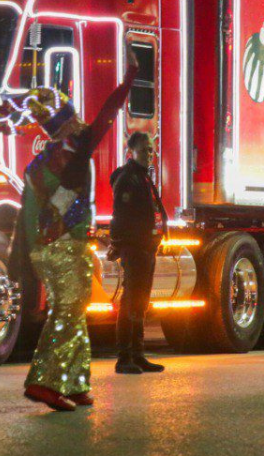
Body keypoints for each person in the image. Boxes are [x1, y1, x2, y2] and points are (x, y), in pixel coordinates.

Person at [0, 47, 139, 412]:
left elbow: (27, 214)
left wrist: (25, 257)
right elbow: (109, 113)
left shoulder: (40, 161)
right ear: (67, 121)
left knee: (75, 309)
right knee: (67, 312)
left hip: (48, 248)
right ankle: (43, 381)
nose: (82, 123)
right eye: (74, 117)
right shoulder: (76, 148)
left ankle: (76, 383)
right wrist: (128, 80)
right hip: (63, 245)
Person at [108, 131, 168, 374]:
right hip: (135, 249)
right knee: (131, 302)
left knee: (141, 302)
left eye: (151, 149)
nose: (149, 154)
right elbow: (120, 216)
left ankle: (138, 355)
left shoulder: (142, 177)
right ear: (130, 152)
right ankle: (124, 358)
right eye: (144, 150)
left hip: (145, 248)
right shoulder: (128, 178)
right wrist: (120, 244)